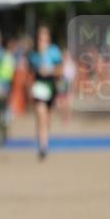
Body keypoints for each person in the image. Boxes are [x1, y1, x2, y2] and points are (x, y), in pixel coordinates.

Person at [29, 24, 62, 161]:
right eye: (40, 37)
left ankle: (44, 140)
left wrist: (50, 71)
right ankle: (42, 146)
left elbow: (60, 70)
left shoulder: (54, 51)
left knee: (47, 119)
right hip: (39, 87)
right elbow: (30, 73)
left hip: (51, 86)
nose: (43, 40)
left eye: (45, 37)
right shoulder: (33, 54)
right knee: (41, 116)